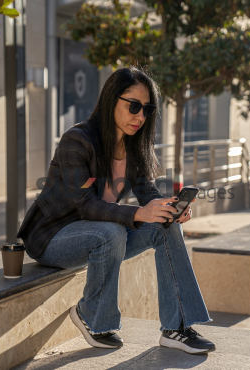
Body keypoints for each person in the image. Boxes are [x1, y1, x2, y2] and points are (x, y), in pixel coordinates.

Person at [16, 66, 215, 355]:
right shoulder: (77, 140)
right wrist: (137, 214)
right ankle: (92, 316)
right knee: (110, 232)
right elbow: (83, 204)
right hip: (52, 238)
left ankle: (177, 328)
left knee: (164, 225)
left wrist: (168, 209)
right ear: (112, 100)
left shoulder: (134, 147)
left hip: (100, 237)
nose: (140, 115)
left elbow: (148, 194)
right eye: (133, 105)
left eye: (146, 109)